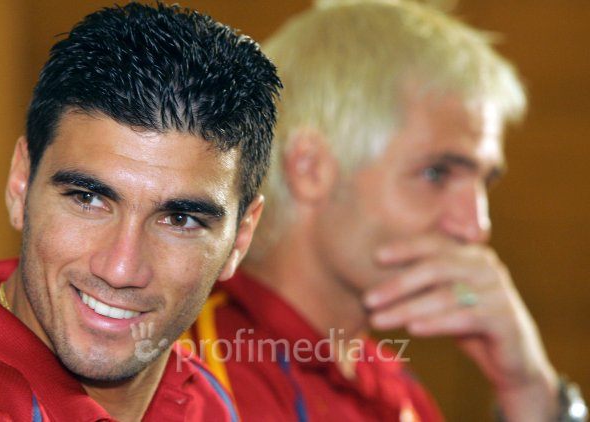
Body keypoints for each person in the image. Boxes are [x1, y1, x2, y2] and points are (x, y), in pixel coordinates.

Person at [186, 1, 588, 421]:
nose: (475, 227)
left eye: (484, 182)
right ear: (310, 168)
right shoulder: (189, 372)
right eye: (436, 173)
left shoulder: (395, 389)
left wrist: (528, 389)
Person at [0, 2, 281, 421]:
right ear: (21, 183)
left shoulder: (207, 402)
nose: (120, 270)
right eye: (88, 199)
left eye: (180, 220)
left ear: (240, 238)